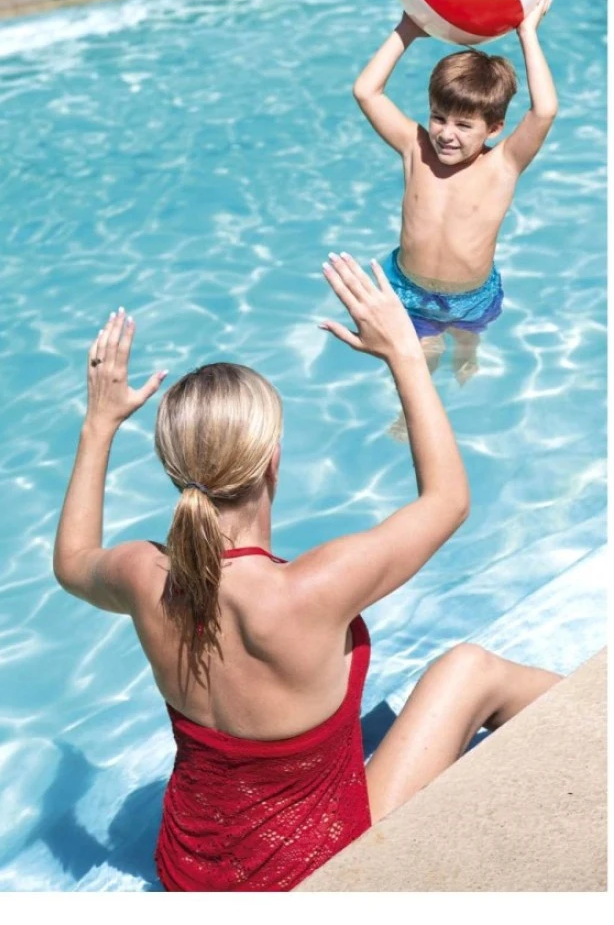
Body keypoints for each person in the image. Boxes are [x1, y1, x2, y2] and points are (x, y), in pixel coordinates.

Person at [53, 253, 560, 892]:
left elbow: (71, 562)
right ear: (273, 460)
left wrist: (99, 423)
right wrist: (405, 353)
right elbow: (448, 501)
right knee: (468, 669)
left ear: (173, 468)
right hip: (315, 873)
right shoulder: (315, 586)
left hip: (189, 873)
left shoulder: (143, 575)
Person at [353, 0, 558, 401]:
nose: (446, 134)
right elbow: (366, 91)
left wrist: (527, 34)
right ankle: (412, 415)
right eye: (438, 118)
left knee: (466, 339)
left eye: (464, 125)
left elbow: (544, 111)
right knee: (417, 362)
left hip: (470, 296)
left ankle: (468, 353)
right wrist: (407, 29)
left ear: (494, 128)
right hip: (408, 289)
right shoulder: (415, 148)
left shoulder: (503, 165)